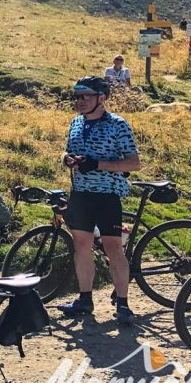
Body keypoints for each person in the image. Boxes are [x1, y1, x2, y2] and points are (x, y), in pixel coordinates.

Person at [58, 76, 140, 324]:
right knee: (81, 247)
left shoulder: (118, 124)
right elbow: (66, 150)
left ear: (101, 98)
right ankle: (85, 299)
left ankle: (123, 304)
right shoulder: (75, 123)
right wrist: (66, 159)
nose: (80, 101)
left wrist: (98, 164)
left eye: (85, 96)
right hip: (81, 195)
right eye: (77, 96)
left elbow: (133, 163)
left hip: (107, 195)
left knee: (113, 248)